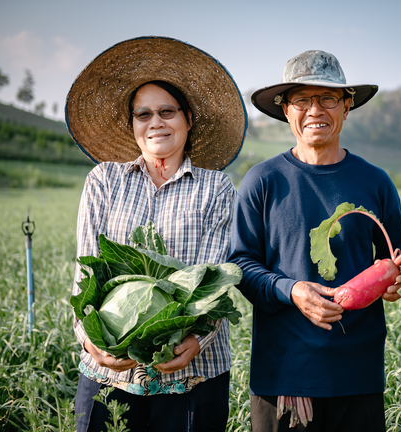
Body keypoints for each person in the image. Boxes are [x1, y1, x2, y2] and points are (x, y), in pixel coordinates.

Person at [66, 36, 247, 432]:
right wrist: (90, 341)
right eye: (143, 114)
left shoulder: (215, 188)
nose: (155, 123)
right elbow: (85, 275)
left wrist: (195, 342)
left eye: (167, 111)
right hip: (107, 373)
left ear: (188, 119)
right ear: (132, 123)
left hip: (193, 375)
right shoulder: (104, 180)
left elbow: (216, 280)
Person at [228, 50, 401, 431]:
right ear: (285, 110)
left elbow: (397, 259)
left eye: (328, 98)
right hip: (283, 376)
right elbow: (241, 265)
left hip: (356, 375)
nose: (315, 110)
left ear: (347, 107)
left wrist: (396, 282)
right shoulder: (263, 181)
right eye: (302, 100)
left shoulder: (375, 181)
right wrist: (291, 290)